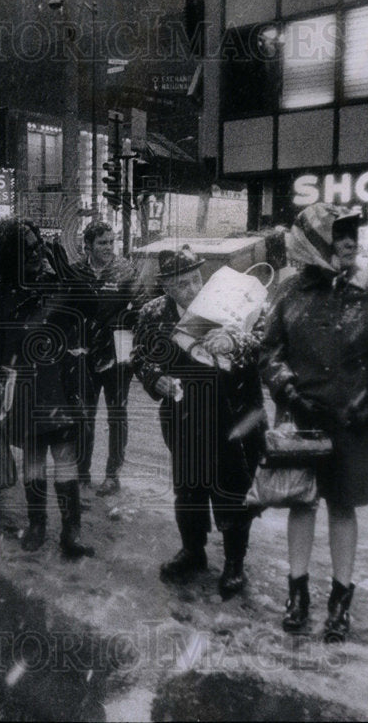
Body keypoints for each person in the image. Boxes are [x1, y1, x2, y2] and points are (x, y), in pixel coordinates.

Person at [260, 203, 368, 641]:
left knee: (343, 506)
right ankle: (297, 594)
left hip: (352, 421)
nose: (348, 242)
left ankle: (341, 602)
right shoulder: (288, 291)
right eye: (338, 234)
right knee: (302, 502)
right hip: (301, 418)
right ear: (313, 241)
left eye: (352, 234)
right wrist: (288, 391)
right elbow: (270, 353)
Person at [132, 245, 266, 599]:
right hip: (185, 412)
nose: (193, 290)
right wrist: (153, 378)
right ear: (167, 287)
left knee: (233, 488)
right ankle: (193, 551)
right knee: (188, 487)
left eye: (196, 279)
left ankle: (235, 562)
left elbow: (263, 338)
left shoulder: (229, 300)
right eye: (183, 284)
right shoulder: (153, 313)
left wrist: (233, 340)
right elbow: (140, 355)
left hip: (232, 410)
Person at [0, 218, 96, 558]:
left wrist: (67, 272)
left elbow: (90, 308)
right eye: (27, 249)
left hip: (62, 383)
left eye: (36, 244)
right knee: (32, 462)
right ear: (8, 256)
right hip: (25, 388)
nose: (36, 252)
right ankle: (37, 524)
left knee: (66, 460)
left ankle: (71, 531)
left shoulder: (54, 280)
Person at [70, 221, 139, 496]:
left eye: (111, 242)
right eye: (102, 243)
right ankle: (81, 472)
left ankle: (113, 474)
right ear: (88, 245)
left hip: (116, 354)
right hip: (84, 355)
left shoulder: (126, 271)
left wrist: (123, 321)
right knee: (84, 416)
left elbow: (140, 308)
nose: (109, 248)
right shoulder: (76, 273)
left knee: (117, 416)